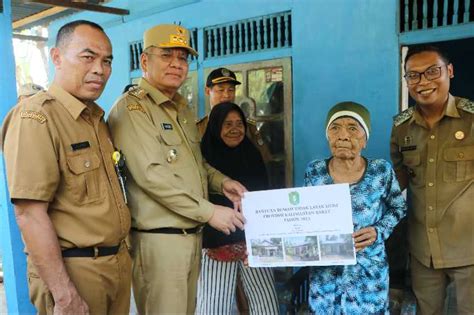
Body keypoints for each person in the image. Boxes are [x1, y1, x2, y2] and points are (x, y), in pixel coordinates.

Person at [107, 24, 246, 315]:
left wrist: (223, 183)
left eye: (182, 58)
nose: (176, 64)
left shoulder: (181, 109)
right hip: (159, 241)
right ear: (145, 61)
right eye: (166, 55)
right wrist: (209, 212)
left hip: (190, 236)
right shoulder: (132, 109)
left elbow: (196, 166)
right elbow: (151, 175)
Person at [2, 20, 131, 315]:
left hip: (115, 266)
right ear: (57, 58)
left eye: (107, 61)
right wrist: (64, 294)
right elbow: (29, 214)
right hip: (75, 272)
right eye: (88, 57)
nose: (100, 69)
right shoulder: (36, 118)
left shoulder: (95, 119)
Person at [391, 45, 474, 314]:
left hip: (468, 249)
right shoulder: (401, 127)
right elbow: (396, 180)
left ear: (449, 71)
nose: (423, 82)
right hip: (422, 251)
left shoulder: (471, 119)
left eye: (432, 71)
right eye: (413, 75)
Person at [304, 101, 406, 314]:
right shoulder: (315, 172)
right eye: (335, 128)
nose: (342, 136)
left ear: (365, 139)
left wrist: (378, 231)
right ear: (328, 136)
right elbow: (304, 217)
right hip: (325, 277)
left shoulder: (380, 171)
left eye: (352, 128)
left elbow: (398, 207)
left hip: (368, 274)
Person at [196, 102, 279, 315]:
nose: (235, 129)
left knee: (265, 305)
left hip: (255, 243)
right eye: (227, 124)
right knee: (213, 307)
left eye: (239, 123)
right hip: (216, 245)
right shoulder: (203, 159)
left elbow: (264, 199)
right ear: (215, 127)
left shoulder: (253, 155)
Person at [196, 67, 271, 163]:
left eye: (231, 90)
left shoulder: (248, 127)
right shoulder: (197, 129)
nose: (227, 95)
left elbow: (264, 160)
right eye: (221, 90)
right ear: (207, 91)